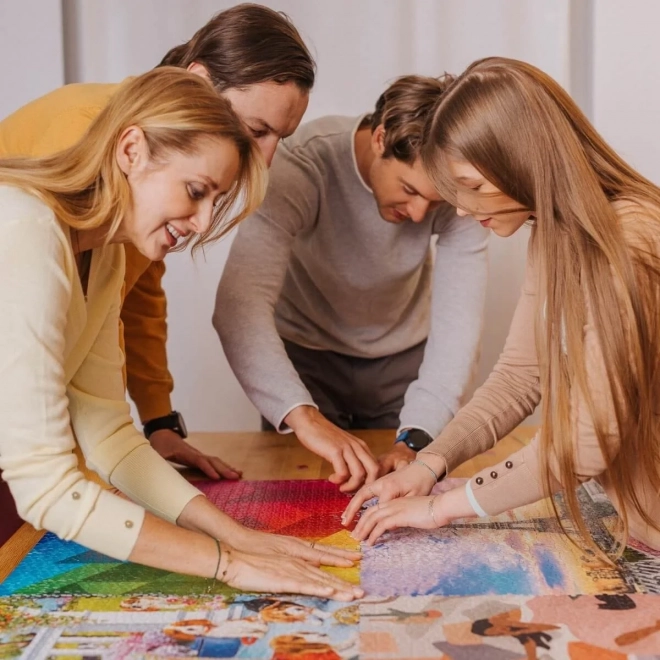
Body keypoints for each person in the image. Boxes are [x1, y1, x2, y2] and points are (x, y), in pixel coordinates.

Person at [0, 67, 363, 600]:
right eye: (196, 191)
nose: (201, 222)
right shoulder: (26, 229)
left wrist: (236, 536)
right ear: (131, 150)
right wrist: (228, 565)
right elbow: (46, 484)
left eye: (215, 201)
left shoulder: (102, 254)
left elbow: (110, 437)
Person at [344, 57, 660, 555]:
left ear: (525, 157)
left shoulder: (632, 238)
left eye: (472, 185)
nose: (464, 209)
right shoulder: (554, 234)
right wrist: (429, 465)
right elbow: (518, 376)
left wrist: (442, 507)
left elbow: (589, 439)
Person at [0, 2, 313, 480]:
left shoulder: (155, 184)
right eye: (257, 130)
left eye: (280, 139)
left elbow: (136, 292)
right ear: (201, 80)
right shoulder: (88, 133)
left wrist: (158, 420)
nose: (266, 161)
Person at [214, 75, 489, 492]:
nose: (419, 215)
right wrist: (301, 414)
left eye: (433, 203)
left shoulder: (459, 187)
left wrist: (419, 435)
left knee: (405, 491)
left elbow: (459, 328)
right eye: (409, 189)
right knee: (300, 499)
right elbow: (240, 307)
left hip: (402, 367)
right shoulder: (301, 163)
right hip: (305, 363)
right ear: (380, 138)